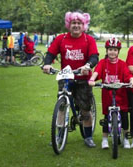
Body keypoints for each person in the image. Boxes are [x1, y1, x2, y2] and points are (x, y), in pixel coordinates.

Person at [42, 11, 99, 148]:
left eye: (79, 23)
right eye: (73, 23)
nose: (76, 26)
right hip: (66, 77)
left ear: (83, 25)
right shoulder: (61, 39)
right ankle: (59, 135)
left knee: (85, 109)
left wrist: (88, 65)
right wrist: (47, 64)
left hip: (83, 78)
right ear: (69, 24)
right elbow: (50, 53)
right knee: (62, 107)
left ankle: (88, 136)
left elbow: (94, 56)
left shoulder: (88, 39)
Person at [88, 38, 133, 149]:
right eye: (110, 49)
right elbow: (96, 72)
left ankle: (125, 139)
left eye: (115, 50)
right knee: (106, 117)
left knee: (124, 117)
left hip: (121, 95)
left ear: (118, 51)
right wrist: (92, 79)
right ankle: (105, 139)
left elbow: (128, 75)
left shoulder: (122, 64)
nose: (112, 52)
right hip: (107, 95)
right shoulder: (102, 63)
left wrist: (132, 80)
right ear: (106, 50)